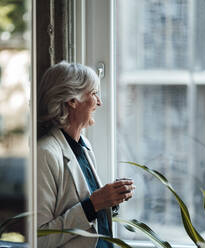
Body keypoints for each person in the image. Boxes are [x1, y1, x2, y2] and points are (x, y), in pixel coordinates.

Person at [37, 61, 135, 248]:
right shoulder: (45, 154)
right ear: (72, 100)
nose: (99, 102)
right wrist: (93, 205)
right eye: (93, 93)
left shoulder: (84, 146)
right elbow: (40, 238)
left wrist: (111, 199)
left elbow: (91, 215)